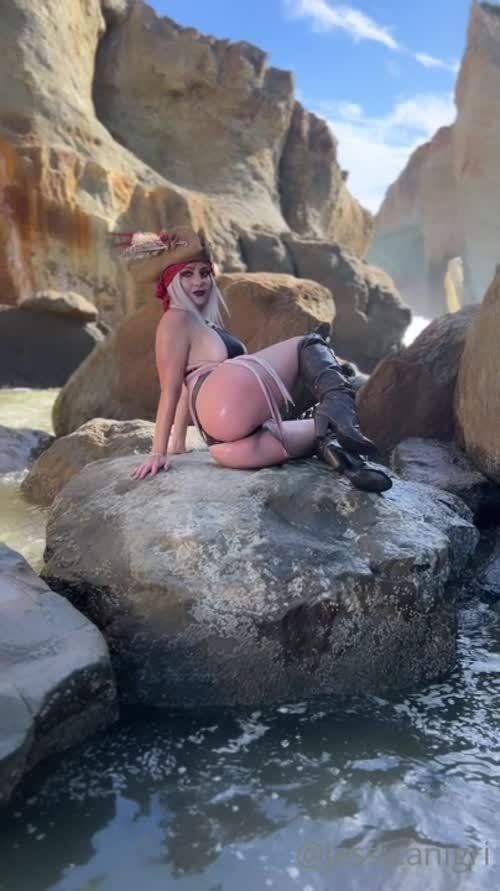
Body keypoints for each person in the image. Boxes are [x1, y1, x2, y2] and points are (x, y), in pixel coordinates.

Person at [116, 226, 392, 492]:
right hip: (221, 402)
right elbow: (171, 388)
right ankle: (343, 415)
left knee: (318, 429)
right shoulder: (175, 320)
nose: (198, 281)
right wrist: (157, 453)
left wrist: (177, 444)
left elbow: (187, 387)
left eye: (204, 273)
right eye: (187, 274)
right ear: (171, 283)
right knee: (308, 344)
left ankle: (352, 467)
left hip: (224, 442)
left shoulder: (199, 323)